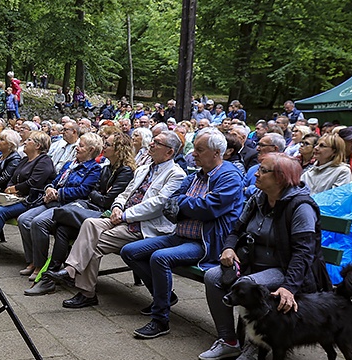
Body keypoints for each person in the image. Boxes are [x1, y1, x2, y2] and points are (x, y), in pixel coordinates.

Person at [199, 153, 331, 360]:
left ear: (280, 178)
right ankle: (228, 340)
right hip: (252, 262)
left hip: (284, 268)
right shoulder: (258, 199)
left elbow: (304, 253)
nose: (256, 174)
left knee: (248, 285)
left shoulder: (301, 207)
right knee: (213, 276)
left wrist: (288, 287)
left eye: (262, 170)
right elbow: (236, 230)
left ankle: (255, 345)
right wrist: (229, 248)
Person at [121, 128, 244, 338]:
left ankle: (160, 320)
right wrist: (190, 205)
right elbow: (171, 204)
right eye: (194, 148)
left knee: (160, 258)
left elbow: (209, 208)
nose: (193, 153)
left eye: (199, 149)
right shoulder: (196, 175)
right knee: (129, 251)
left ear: (216, 153)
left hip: (204, 242)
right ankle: (165, 297)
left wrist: (184, 204)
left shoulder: (229, 177)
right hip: (179, 236)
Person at [45, 130, 186, 308]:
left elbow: (157, 205)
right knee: (89, 223)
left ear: (169, 152)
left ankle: (85, 290)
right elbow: (125, 193)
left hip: (142, 225)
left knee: (93, 245)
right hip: (121, 217)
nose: (151, 144)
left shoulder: (176, 174)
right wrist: (118, 207)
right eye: (153, 141)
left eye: (157, 143)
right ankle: (71, 269)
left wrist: (125, 215)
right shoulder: (143, 169)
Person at [18, 133, 104, 293]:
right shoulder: (70, 164)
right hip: (53, 200)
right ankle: (32, 261)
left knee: (38, 222)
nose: (77, 148)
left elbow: (84, 191)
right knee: (24, 219)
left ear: (91, 150)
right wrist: (49, 188)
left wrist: (59, 193)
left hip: (67, 205)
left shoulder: (94, 169)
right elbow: (54, 180)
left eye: (81, 146)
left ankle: (40, 266)